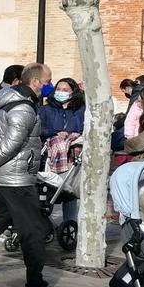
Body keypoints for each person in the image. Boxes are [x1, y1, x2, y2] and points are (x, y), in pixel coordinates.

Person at [0, 63, 62, 287]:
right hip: (16, 179)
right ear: (36, 82)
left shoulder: (10, 101)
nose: (50, 85)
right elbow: (8, 146)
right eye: (48, 81)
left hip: (10, 176)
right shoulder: (24, 108)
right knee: (34, 232)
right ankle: (36, 285)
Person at [40, 77, 85, 223]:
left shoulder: (80, 110)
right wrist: (55, 133)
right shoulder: (46, 109)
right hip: (51, 157)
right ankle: (45, 223)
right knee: (50, 191)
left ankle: (70, 223)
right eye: (58, 89)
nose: (61, 92)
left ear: (73, 92)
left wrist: (75, 134)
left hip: (73, 157)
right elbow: (40, 129)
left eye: (65, 90)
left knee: (70, 191)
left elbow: (85, 128)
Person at [124, 75, 144, 141]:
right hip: (137, 137)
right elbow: (130, 120)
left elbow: (129, 120)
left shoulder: (137, 93)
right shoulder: (137, 104)